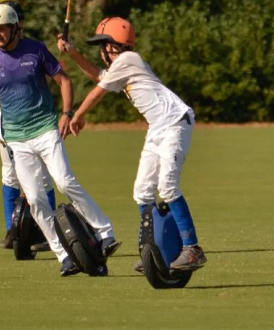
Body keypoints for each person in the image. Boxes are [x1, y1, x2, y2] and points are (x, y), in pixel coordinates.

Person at [0, 3, 121, 276]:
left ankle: (105, 232)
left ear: (15, 28)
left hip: (45, 130)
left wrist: (67, 113)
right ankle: (63, 255)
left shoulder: (36, 49)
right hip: (16, 140)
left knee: (65, 181)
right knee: (34, 199)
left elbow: (64, 81)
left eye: (1, 29)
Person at [57, 17, 207, 271]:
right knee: (142, 191)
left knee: (167, 187)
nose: (102, 51)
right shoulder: (123, 66)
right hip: (158, 128)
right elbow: (99, 77)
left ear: (113, 45)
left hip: (174, 123)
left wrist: (78, 114)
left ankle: (192, 249)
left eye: (103, 45)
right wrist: (72, 53)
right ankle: (153, 249)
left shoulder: (129, 60)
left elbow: (98, 91)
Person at [0, 0, 55, 252]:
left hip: (36, 122)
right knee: (10, 175)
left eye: (3, 26)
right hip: (8, 124)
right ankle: (12, 229)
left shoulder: (31, 50)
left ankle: (47, 232)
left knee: (41, 177)